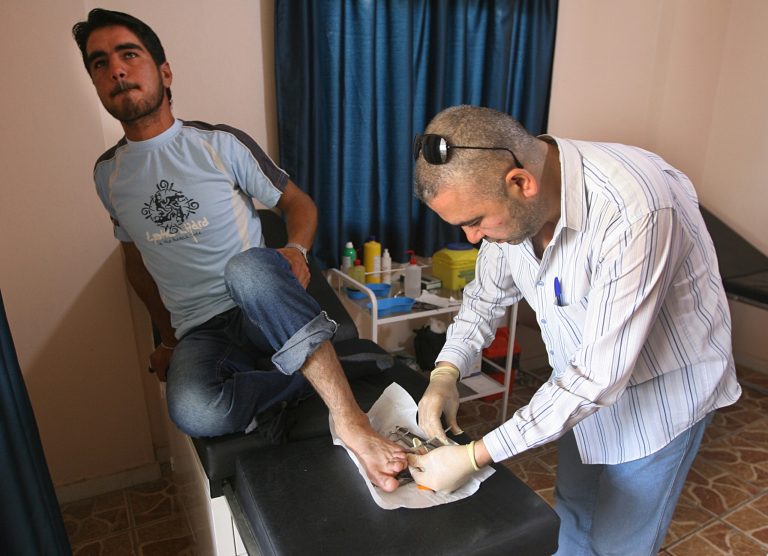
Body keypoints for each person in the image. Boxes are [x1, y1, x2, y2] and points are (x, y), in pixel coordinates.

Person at [71, 8, 406, 492]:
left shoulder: (218, 143)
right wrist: (167, 340)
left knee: (248, 268)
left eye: (128, 54)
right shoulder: (108, 175)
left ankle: (349, 419)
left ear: (164, 72)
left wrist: (294, 249)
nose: (116, 70)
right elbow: (135, 261)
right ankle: (325, 367)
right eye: (99, 64)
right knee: (193, 409)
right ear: (96, 84)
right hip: (202, 334)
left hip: (257, 304)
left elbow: (298, 203)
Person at [408, 105, 741, 554]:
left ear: (521, 183)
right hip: (578, 389)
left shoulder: (635, 210)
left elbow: (597, 376)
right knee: (571, 519)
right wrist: (446, 371)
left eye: (474, 221)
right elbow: (485, 298)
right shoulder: (510, 215)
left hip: (661, 398)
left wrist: (473, 456)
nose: (471, 238)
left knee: (620, 542)